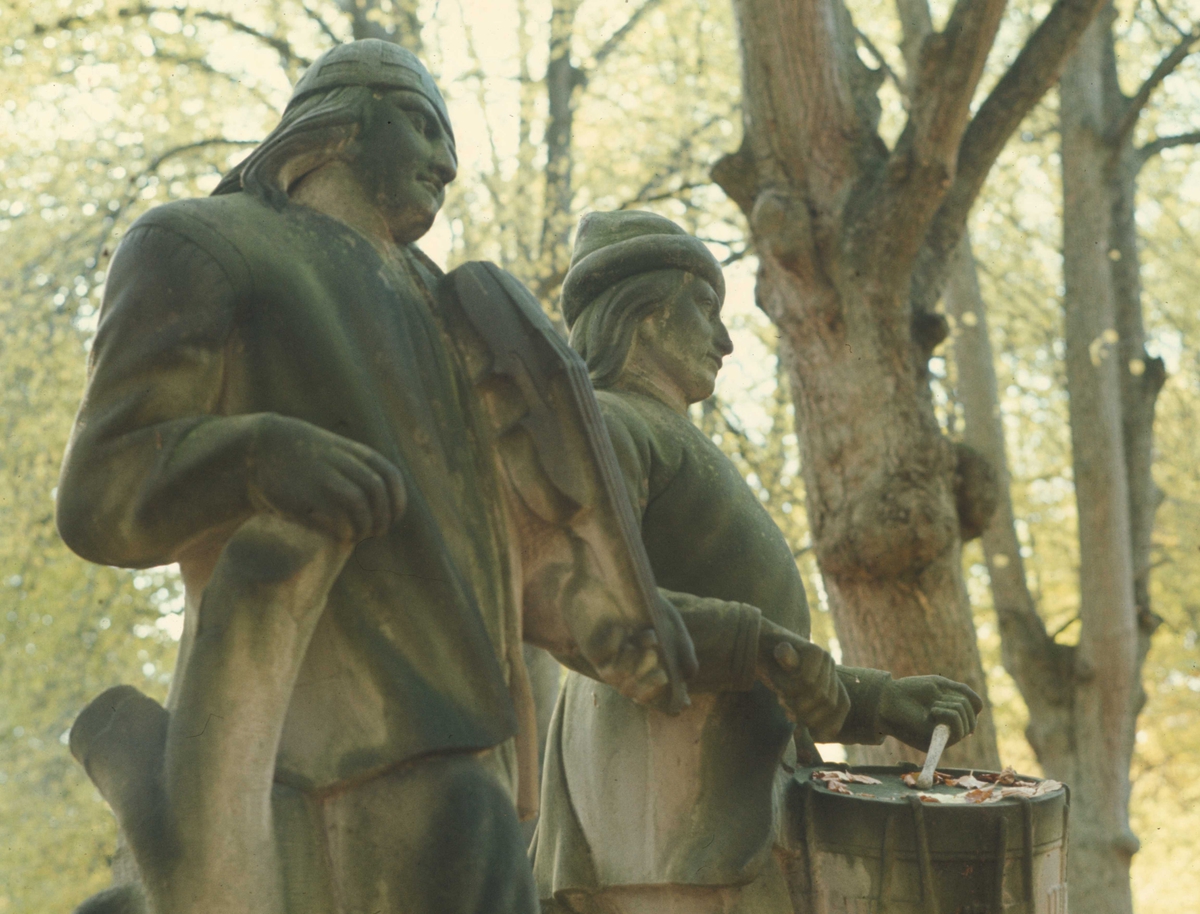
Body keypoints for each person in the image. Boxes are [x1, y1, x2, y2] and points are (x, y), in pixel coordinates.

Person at [57, 42, 686, 914]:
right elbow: (99, 495)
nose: (443, 165)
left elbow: (508, 552)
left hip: (473, 754)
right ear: (338, 123)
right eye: (424, 126)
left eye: (452, 150)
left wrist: (641, 634)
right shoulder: (200, 243)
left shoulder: (453, 311)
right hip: (295, 755)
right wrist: (258, 455)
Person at [530, 211, 984, 914]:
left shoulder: (663, 436)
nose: (726, 340)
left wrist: (873, 699)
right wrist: (767, 649)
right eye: (705, 310)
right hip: (657, 826)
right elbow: (578, 603)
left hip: (709, 822)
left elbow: (762, 661)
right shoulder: (609, 423)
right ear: (646, 313)